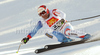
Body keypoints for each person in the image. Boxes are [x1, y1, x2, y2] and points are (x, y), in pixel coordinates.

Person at [21, 5, 91, 44]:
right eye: (40, 14)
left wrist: (63, 20)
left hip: (65, 26)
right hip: (57, 32)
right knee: (45, 32)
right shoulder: (41, 21)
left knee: (67, 32)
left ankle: (85, 35)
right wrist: (27, 38)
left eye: (43, 12)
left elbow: (63, 14)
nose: (43, 15)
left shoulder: (53, 12)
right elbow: (35, 30)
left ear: (47, 10)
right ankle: (65, 40)